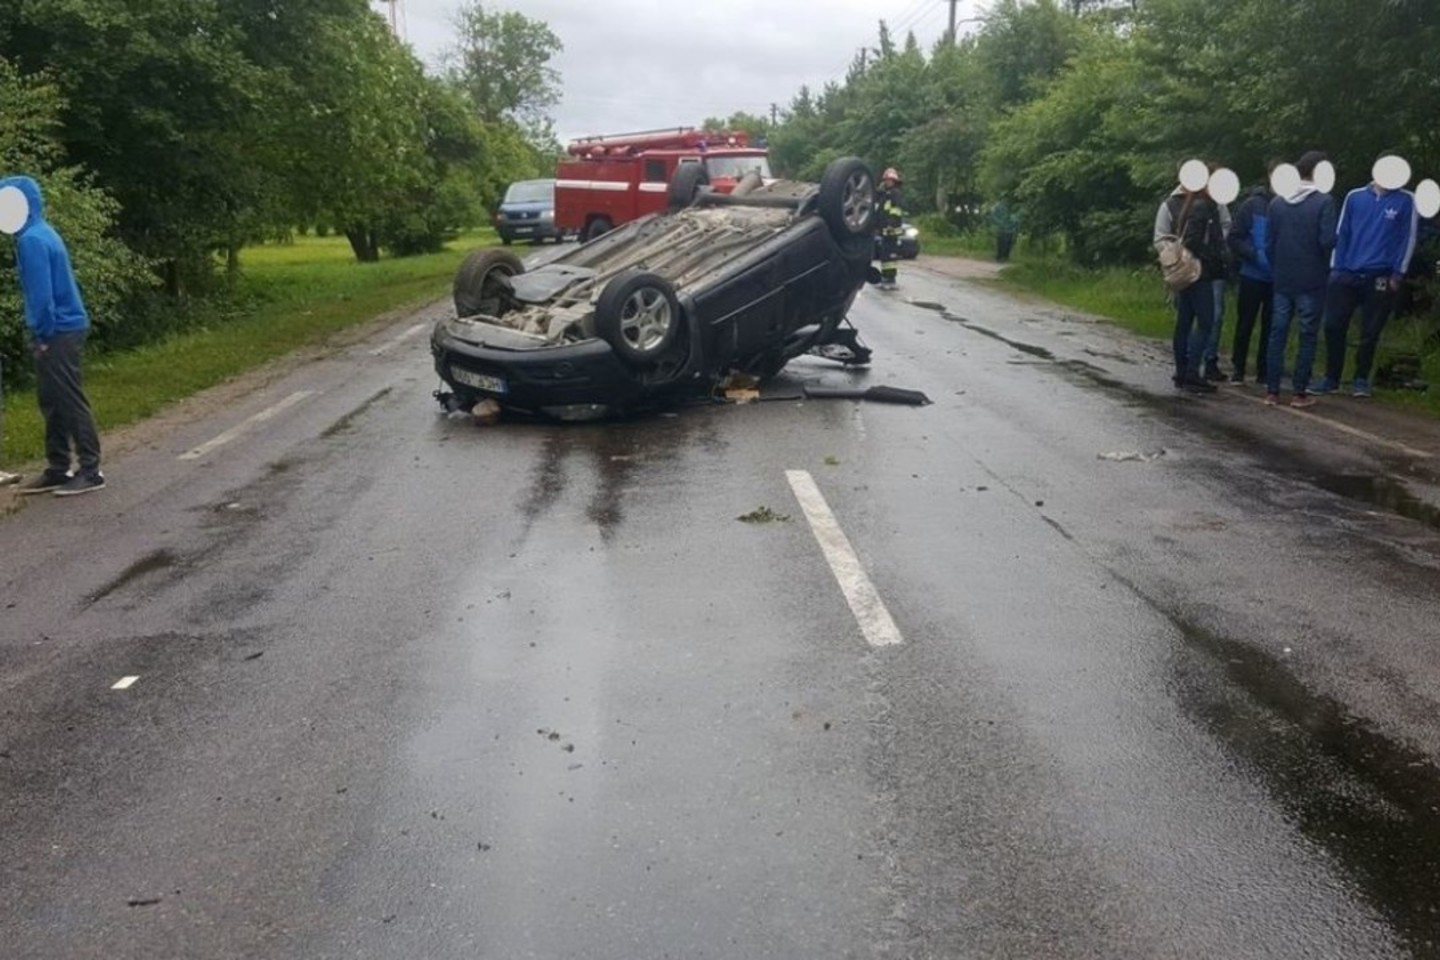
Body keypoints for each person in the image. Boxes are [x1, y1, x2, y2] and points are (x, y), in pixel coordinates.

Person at [0, 175, 105, 495]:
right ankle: (58, 467)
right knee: (52, 399)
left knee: (69, 399)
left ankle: (91, 469)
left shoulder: (31, 240)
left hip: (58, 329)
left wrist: (42, 335)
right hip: (64, 325)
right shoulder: (42, 231)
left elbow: (42, 297)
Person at [1315, 154, 1420, 398]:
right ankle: (1331, 377)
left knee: (1371, 330)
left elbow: (1409, 238)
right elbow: (1343, 232)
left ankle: (1361, 378)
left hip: (1380, 275)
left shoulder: (1407, 200)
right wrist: (1336, 268)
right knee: (1333, 325)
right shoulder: (1355, 196)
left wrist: (1398, 272)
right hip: (1347, 273)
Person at [1264, 151, 1337, 408]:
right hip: (1312, 277)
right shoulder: (1324, 202)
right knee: (1307, 334)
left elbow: (1268, 244)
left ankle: (1272, 391)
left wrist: (1277, 266)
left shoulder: (1277, 203)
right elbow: (1327, 240)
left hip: (1283, 277)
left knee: (1278, 333)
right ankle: (1298, 392)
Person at [1154, 175, 1229, 393]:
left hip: (1187, 274)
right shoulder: (1202, 206)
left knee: (1184, 321)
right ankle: (1192, 372)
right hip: (1199, 273)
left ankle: (1182, 370)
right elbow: (1194, 240)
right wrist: (1214, 255)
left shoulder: (1189, 204)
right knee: (1205, 321)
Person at [1227, 174, 1276, 383]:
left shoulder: (1289, 206)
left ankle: (1264, 370)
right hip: (1252, 275)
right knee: (1245, 323)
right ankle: (1238, 367)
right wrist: (1253, 254)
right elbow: (1234, 237)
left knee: (1271, 326)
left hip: (1277, 278)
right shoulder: (1251, 205)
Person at [875, 168, 905, 290]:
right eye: (885, 180)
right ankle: (885, 277)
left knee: (890, 256)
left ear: (894, 181)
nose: (887, 182)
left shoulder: (895, 193)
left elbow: (895, 211)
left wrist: (891, 224)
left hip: (891, 230)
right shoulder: (886, 194)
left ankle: (890, 278)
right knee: (885, 255)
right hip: (885, 231)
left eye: (889, 180)